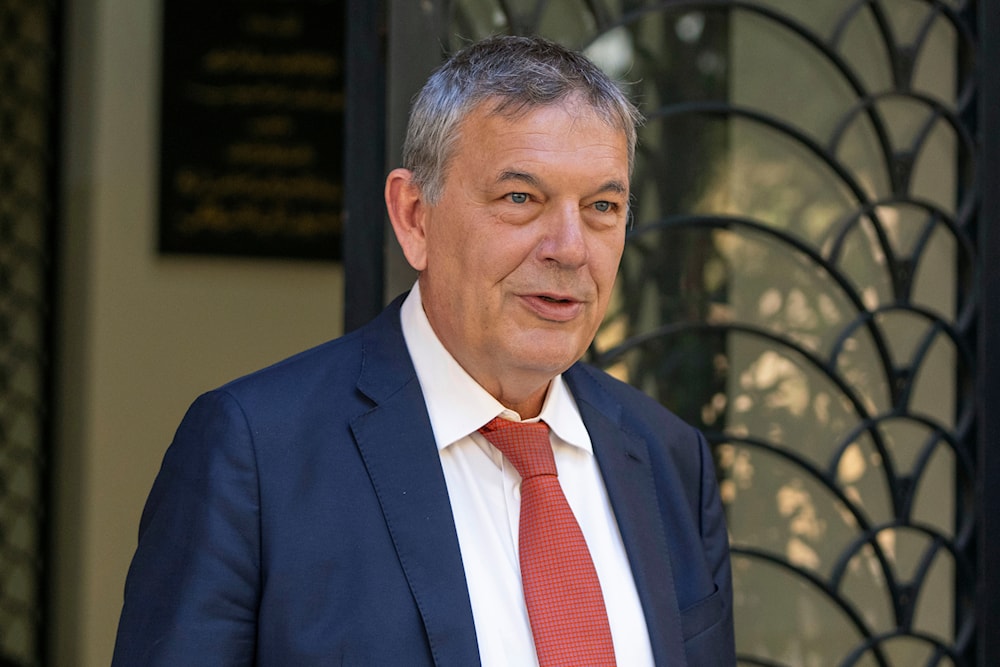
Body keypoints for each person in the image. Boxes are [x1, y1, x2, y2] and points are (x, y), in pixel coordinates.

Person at [111, 34, 735, 666]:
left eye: (602, 206)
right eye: (521, 198)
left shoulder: (669, 462)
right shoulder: (254, 455)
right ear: (414, 216)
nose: (570, 248)